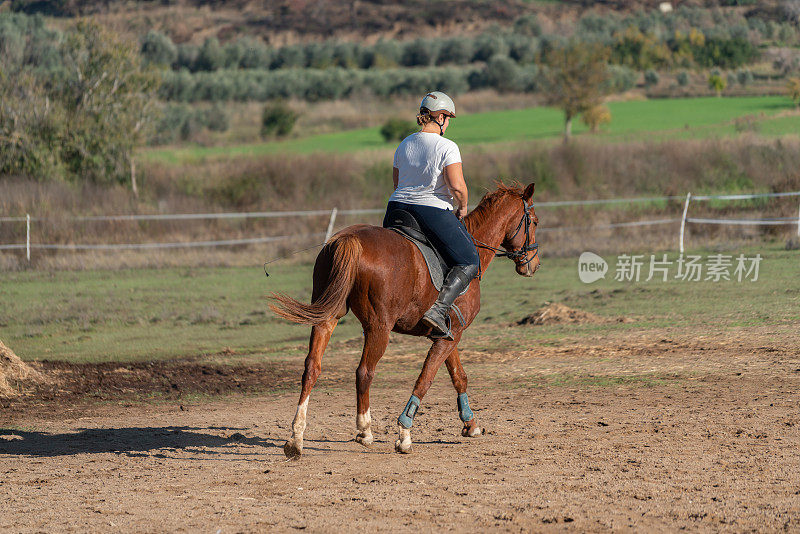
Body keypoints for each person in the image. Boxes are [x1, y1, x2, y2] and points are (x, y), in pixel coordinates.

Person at [382, 91, 480, 339]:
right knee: (470, 260)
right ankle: (438, 310)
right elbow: (457, 186)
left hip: (396, 209)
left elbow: (397, 183)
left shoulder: (404, 144)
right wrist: (463, 206)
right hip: (431, 210)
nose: (448, 123)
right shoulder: (447, 146)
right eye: (448, 118)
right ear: (442, 117)